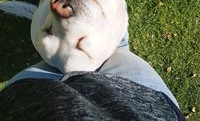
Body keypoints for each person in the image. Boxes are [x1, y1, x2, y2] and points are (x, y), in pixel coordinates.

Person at [0, 31, 185, 120]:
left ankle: (57, 31)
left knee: (57, 51)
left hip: (30, 98)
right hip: (141, 100)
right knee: (115, 45)